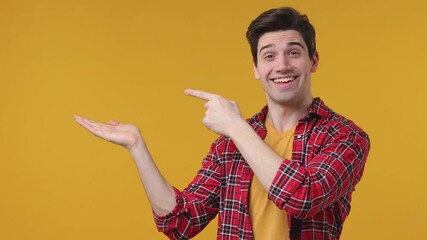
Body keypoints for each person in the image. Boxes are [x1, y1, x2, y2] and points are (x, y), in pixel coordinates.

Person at [74, 7, 370, 240]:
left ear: (313, 60)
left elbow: (302, 197)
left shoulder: (345, 137)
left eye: (293, 52)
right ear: (256, 68)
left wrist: (237, 126)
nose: (281, 65)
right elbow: (180, 223)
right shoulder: (230, 144)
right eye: (269, 56)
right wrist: (137, 147)